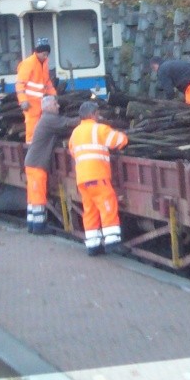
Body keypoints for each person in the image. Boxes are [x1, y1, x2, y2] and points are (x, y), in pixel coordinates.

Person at [68, 101, 129, 256]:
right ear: (93, 114)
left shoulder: (75, 133)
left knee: (90, 210)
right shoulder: (99, 129)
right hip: (98, 175)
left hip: (82, 178)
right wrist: (124, 136)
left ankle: (93, 245)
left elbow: (72, 151)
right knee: (108, 205)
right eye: (98, 113)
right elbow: (119, 141)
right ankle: (112, 242)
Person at [23, 96, 79, 235]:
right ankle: (39, 227)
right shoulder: (49, 119)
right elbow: (68, 123)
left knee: (32, 197)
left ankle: (31, 224)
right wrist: (86, 119)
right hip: (37, 165)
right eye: (55, 104)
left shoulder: (46, 119)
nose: (58, 106)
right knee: (38, 197)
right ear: (47, 107)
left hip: (32, 163)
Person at [15, 38, 57, 143]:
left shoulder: (44, 63)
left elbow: (47, 82)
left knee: (40, 125)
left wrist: (54, 95)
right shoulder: (28, 63)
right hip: (30, 102)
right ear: (38, 52)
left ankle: (39, 144)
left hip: (40, 102)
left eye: (47, 54)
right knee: (32, 124)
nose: (46, 56)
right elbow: (20, 84)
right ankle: (30, 145)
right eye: (44, 54)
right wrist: (23, 101)